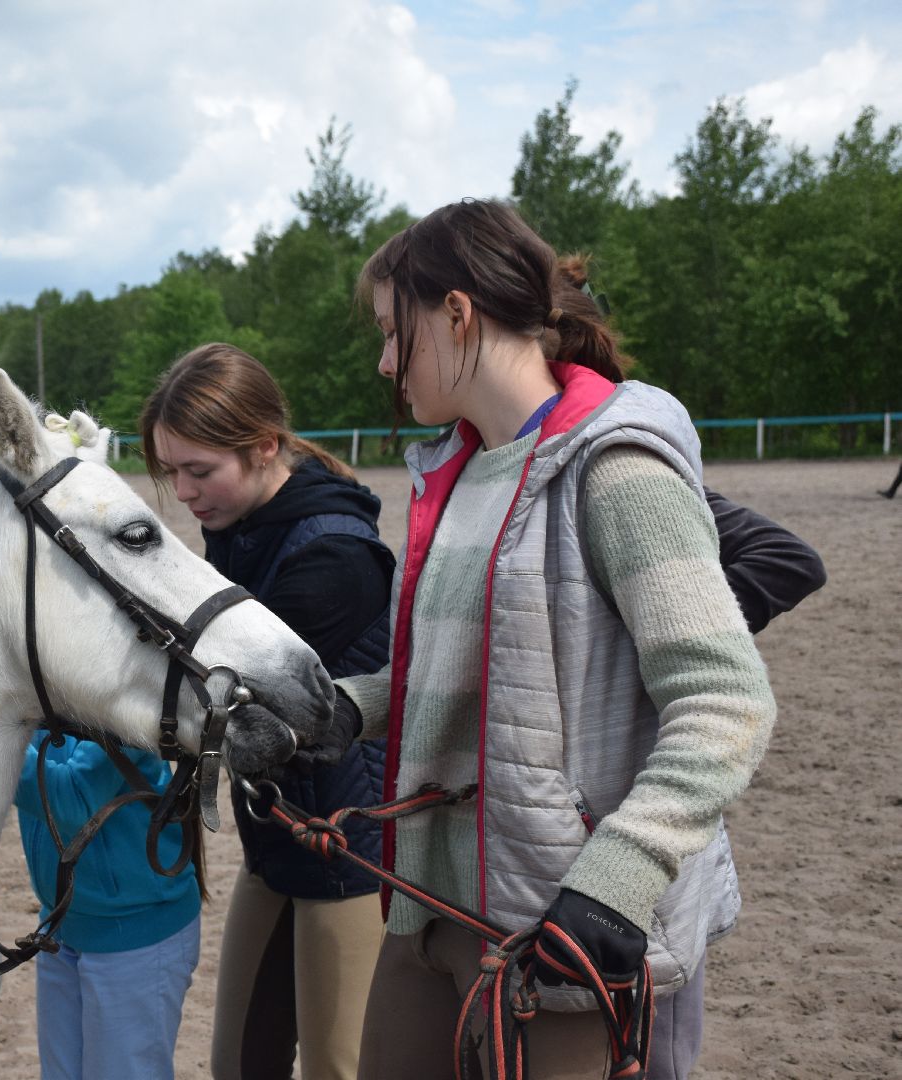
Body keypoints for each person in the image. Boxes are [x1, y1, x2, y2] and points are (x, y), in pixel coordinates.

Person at [335, 200, 779, 1078]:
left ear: (457, 313)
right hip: (428, 911)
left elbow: (726, 700)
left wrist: (617, 878)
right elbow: (460, 677)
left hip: (559, 936)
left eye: (393, 333)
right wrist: (336, 710)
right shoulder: (457, 470)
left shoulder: (617, 470)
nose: (385, 362)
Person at [549, 258, 827, 1079]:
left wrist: (660, 630)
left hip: (648, 825)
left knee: (656, 1050)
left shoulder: (621, 464)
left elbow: (790, 559)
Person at [138, 343, 395, 1080]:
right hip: (276, 842)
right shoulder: (241, 532)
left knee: (338, 1068)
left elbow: (216, 688)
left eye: (199, 470)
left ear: (264, 447)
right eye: (171, 471)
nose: (183, 492)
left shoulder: (335, 555)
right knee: (240, 1062)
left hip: (345, 853)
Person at [15, 729, 202, 1080]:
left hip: (136, 933)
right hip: (61, 924)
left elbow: (72, 800)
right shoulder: (38, 702)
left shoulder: (122, 702)